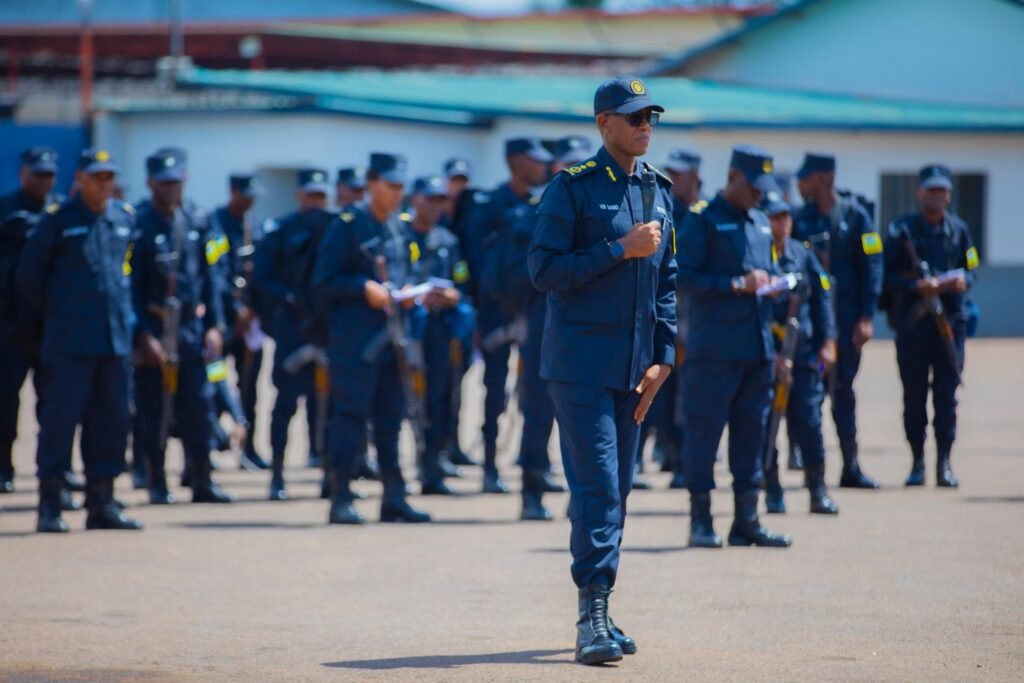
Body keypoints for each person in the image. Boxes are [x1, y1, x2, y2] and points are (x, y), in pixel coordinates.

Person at [528, 76, 676, 665]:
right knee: (597, 487)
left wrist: (665, 357)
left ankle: (603, 607)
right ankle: (589, 615)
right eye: (633, 117)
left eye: (650, 118)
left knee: (617, 489)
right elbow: (544, 271)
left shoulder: (657, 190)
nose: (644, 127)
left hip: (634, 370)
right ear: (603, 124)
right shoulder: (572, 189)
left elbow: (666, 283)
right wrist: (618, 249)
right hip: (580, 366)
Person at [15, 148, 143, 532]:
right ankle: (50, 503)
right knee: (60, 421)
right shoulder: (59, 221)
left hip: (113, 341)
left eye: (109, 177)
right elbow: (28, 278)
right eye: (96, 177)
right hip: (69, 343)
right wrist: (59, 315)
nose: (104, 185)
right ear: (80, 179)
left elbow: (129, 276)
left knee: (112, 422)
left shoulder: (123, 219)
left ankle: (101, 503)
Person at [677, 145, 792, 550]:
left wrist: (777, 283)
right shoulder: (702, 219)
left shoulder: (760, 222)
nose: (760, 195)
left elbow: (771, 271)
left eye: (764, 188)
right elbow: (683, 277)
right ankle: (701, 520)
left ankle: (747, 521)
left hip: (757, 351)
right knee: (704, 436)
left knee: (752, 437)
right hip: (714, 353)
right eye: (754, 187)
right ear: (733, 178)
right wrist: (734, 284)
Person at [313, 153, 431, 525]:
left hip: (392, 340)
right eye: (391, 186)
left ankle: (394, 497)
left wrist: (408, 292)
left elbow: (405, 270)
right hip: (354, 343)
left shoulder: (397, 226)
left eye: (401, 187)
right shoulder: (347, 225)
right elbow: (323, 279)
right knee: (349, 418)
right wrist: (362, 287)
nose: (397, 193)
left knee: (390, 419)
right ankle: (341, 496)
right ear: (372, 184)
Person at [131, 148, 234, 505]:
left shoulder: (197, 220)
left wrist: (215, 326)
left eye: (176, 182)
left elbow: (212, 278)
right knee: (154, 411)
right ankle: (156, 481)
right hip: (155, 330)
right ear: (150, 183)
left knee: (200, 408)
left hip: (190, 329)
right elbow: (129, 288)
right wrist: (143, 335)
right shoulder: (138, 223)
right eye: (164, 183)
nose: (171, 188)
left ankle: (202, 480)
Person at [467, 138, 552, 494]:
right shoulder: (489, 204)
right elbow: (473, 261)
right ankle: (489, 465)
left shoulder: (542, 203)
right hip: (495, 312)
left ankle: (536, 465)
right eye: (535, 161)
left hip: (532, 308)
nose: (543, 167)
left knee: (537, 393)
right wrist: (475, 314)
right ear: (516, 162)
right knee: (494, 391)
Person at [883, 164, 975, 488]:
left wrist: (961, 281)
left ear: (948, 195)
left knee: (947, 397)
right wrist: (915, 286)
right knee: (914, 397)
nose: (937, 195)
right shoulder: (901, 231)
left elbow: (972, 268)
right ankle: (917, 462)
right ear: (920, 192)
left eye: (942, 190)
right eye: (931, 190)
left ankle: (944, 463)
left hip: (949, 327)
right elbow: (886, 276)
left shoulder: (959, 231)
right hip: (914, 327)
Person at [794, 153, 882, 489]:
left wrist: (867, 316)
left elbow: (873, 267)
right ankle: (810, 466)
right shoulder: (801, 220)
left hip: (847, 329)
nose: (800, 184)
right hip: (814, 331)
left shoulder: (856, 217)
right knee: (810, 393)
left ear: (822, 178)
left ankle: (851, 466)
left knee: (843, 391)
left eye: (805, 178)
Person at [253, 169, 334, 500]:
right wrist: (287, 300)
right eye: (310, 195)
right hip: (293, 330)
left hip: (326, 329)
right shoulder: (281, 230)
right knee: (285, 404)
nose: (315, 202)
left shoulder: (336, 228)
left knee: (329, 406)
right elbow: (262, 279)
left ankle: (331, 475)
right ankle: (277, 474)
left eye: (320, 196)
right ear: (299, 195)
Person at [762, 197, 839, 515]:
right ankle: (772, 489)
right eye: (774, 218)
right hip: (766, 354)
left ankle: (817, 489)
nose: (781, 224)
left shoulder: (803, 254)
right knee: (765, 427)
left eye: (785, 218)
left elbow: (822, 299)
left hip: (803, 355)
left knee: (809, 423)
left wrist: (828, 341)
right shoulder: (755, 254)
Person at [403, 176, 473, 495]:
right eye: (429, 199)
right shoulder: (399, 235)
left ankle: (431, 469)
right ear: (414, 200)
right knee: (400, 403)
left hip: (437, 331)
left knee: (440, 400)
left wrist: (453, 296)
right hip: (404, 331)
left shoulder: (447, 240)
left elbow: (461, 280)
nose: (435, 206)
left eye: (440, 200)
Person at [0, 147, 62, 497]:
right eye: (38, 174)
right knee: (5, 402)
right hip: (9, 326)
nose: (44, 180)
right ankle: (3, 468)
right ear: (23, 172)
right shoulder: (5, 209)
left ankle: (54, 474)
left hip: (50, 327)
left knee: (54, 405)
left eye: (49, 175)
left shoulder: (62, 212)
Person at [209, 173, 267, 471]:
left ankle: (249, 448)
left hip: (249, 326)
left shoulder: (254, 226)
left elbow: (263, 272)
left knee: (249, 388)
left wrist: (253, 310)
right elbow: (213, 273)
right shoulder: (215, 224)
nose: (250, 200)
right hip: (222, 322)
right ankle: (211, 441)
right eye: (245, 194)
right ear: (232, 191)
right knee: (213, 382)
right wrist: (234, 309)